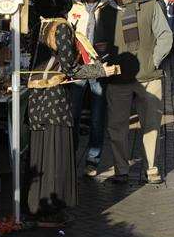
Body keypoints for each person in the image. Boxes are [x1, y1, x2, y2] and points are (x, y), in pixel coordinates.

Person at [27, 18, 118, 226]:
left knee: (40, 154)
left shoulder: (39, 26)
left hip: (37, 99)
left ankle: (36, 205)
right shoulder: (62, 27)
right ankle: (51, 210)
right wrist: (101, 71)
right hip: (55, 100)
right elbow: (70, 69)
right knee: (55, 154)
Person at [99, 0, 173, 185]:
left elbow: (165, 36)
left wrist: (154, 61)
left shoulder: (150, 5)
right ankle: (121, 170)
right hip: (119, 78)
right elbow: (100, 44)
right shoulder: (107, 11)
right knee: (116, 127)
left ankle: (152, 169)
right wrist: (104, 60)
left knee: (151, 125)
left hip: (149, 77)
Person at [67, 0, 111, 177]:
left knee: (97, 117)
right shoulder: (73, 7)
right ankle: (71, 156)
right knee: (73, 115)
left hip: (100, 66)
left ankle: (93, 161)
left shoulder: (109, 7)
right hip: (79, 66)